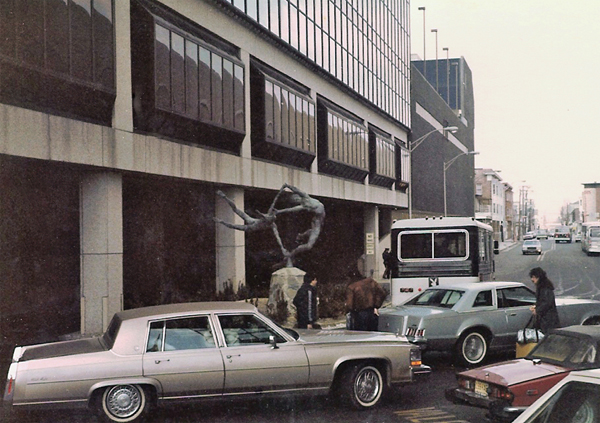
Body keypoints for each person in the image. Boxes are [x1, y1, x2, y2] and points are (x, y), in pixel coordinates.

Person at [529, 267, 560, 333]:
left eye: (533, 277)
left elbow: (547, 302)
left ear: (538, 277)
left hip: (548, 319)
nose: (532, 279)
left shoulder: (544, 288)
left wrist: (537, 310)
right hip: (546, 318)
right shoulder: (543, 286)